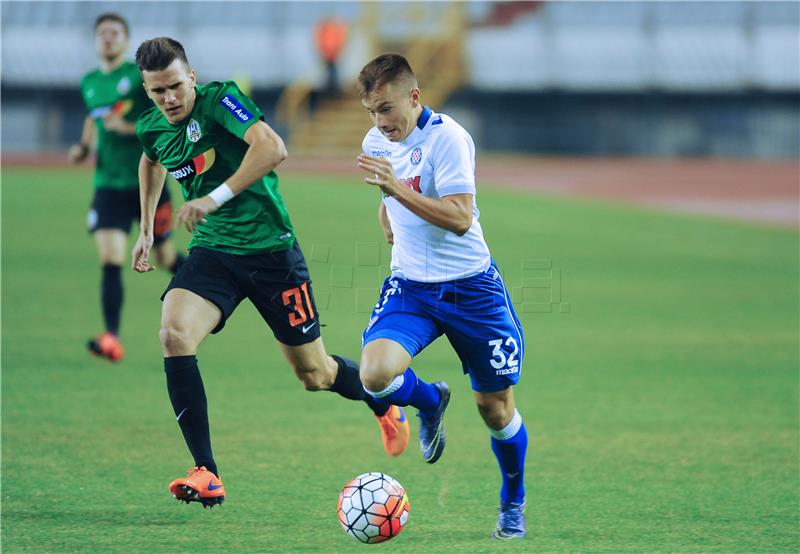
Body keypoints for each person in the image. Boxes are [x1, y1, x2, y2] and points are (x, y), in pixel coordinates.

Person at [130, 37, 409, 508]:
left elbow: (273, 148)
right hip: (213, 252)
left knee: (315, 374)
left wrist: (213, 198)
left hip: (271, 254)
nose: (169, 99)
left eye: (176, 86)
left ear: (191, 77)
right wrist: (145, 228)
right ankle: (207, 473)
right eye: (157, 92)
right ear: (147, 90)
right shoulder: (151, 126)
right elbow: (151, 159)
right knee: (174, 334)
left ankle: (382, 402)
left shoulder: (220, 102)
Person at [355, 54, 528, 540]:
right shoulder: (376, 140)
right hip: (411, 286)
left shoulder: (448, 138)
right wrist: (386, 209)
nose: (380, 123)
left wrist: (395, 190)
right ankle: (430, 401)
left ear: (414, 97)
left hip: (472, 290)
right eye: (371, 111)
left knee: (496, 411)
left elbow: (459, 217)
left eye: (387, 109)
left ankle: (512, 501)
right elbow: (388, 189)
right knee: (374, 374)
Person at [69, 13, 184, 362]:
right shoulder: (89, 81)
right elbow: (94, 116)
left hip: (148, 183)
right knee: (110, 259)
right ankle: (112, 337)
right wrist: (84, 146)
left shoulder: (138, 79)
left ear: (125, 38)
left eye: (114, 33)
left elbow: (160, 109)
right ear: (95, 40)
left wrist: (125, 127)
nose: (107, 38)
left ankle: (215, 288)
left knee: (165, 258)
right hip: (108, 185)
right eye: (102, 33)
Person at [314, 16, 348, 98]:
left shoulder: (330, 29)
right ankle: (331, 90)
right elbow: (320, 40)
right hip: (329, 54)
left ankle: (332, 90)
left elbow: (339, 39)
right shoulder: (326, 29)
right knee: (330, 72)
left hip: (332, 54)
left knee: (332, 72)